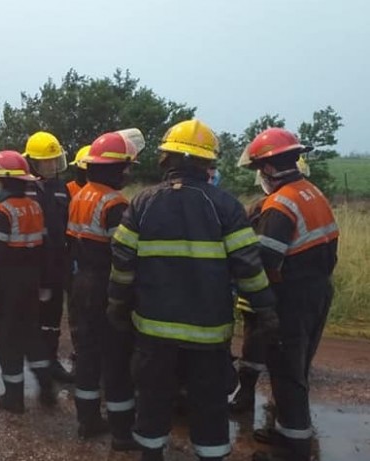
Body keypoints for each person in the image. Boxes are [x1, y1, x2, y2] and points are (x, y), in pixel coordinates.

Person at [107, 120, 278, 461]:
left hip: (153, 331)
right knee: (209, 403)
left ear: (166, 158)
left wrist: (116, 305)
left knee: (153, 398)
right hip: (208, 334)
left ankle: (151, 455)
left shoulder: (141, 203)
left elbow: (122, 264)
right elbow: (249, 267)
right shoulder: (226, 206)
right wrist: (266, 308)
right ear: (208, 163)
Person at [236, 128, 338, 461]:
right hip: (317, 291)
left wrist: (256, 301)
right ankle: (287, 430)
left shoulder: (279, 205)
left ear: (267, 168)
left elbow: (264, 263)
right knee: (298, 364)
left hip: (291, 298)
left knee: (286, 370)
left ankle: (292, 446)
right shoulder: (312, 192)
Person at [67, 129, 143, 449]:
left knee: (87, 355)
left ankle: (87, 420)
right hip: (105, 285)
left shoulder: (80, 194)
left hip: (80, 282)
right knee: (116, 359)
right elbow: (123, 253)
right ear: (112, 167)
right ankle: (123, 433)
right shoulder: (115, 202)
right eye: (124, 167)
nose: (127, 173)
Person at [0, 150, 54, 413]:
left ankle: (13, 398)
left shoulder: (2, 211)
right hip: (30, 283)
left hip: (8, 286)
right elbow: (46, 247)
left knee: (7, 341)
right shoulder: (35, 207)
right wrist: (45, 282)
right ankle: (47, 389)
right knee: (32, 336)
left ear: (4, 181)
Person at [23, 131, 74, 383]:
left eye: (55, 160)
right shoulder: (25, 188)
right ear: (34, 162)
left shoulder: (62, 188)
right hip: (33, 264)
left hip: (57, 262)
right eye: (47, 161)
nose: (53, 165)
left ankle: (52, 362)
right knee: (36, 316)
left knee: (54, 316)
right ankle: (37, 365)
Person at [63, 145, 90, 377]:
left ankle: (87, 351)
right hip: (71, 254)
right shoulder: (68, 189)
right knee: (75, 307)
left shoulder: (102, 193)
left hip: (90, 259)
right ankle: (80, 349)